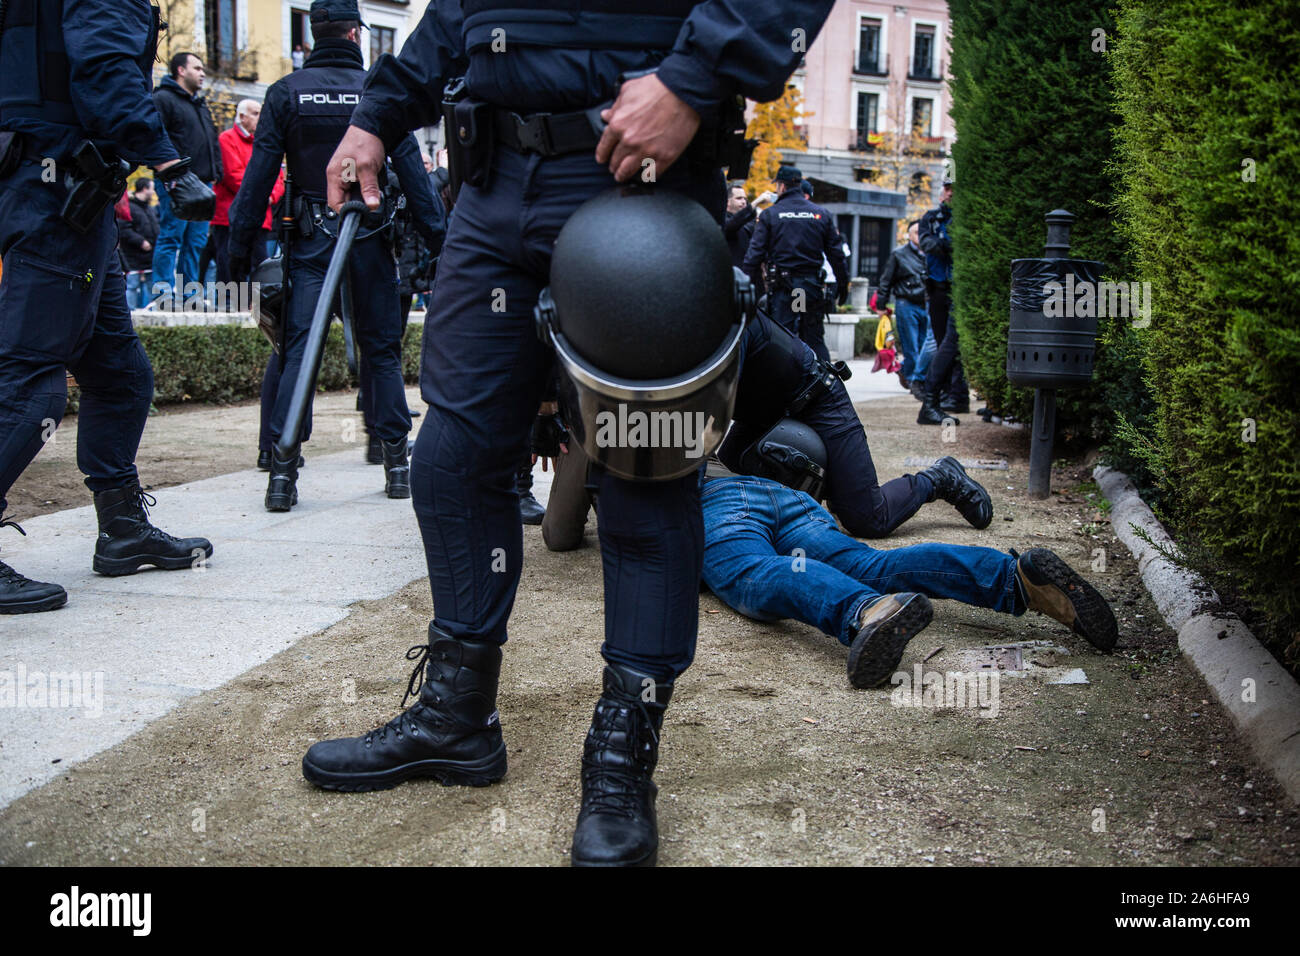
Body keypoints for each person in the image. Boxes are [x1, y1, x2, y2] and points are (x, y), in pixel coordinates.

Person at [296, 0, 839, 867]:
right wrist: (372, 117)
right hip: (491, 188)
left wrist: (691, 80)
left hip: (637, 175)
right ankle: (456, 719)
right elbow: (455, 18)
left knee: (643, 473)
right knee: (453, 456)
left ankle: (623, 754)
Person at [0, 0, 216, 614]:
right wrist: (169, 161)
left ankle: (121, 529)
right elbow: (103, 69)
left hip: (60, 190)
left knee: (120, 375)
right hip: (55, 191)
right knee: (30, 384)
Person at [227, 0, 443, 510]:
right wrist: (444, 248)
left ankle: (282, 477)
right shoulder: (378, 92)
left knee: (299, 350)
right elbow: (415, 180)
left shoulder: (285, 94)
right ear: (354, 35)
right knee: (382, 353)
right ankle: (395, 467)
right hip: (369, 238)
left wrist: (236, 260)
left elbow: (255, 185)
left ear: (313, 35)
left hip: (310, 242)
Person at [543, 306, 992, 549]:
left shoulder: (717, 315)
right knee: (738, 468)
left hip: (815, 400)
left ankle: (940, 477)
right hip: (760, 415)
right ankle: (791, 513)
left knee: (866, 518)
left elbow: (697, 426)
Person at [697, 463, 1118, 688]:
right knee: (871, 566)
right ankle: (1017, 580)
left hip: (708, 502)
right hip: (776, 492)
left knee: (753, 573)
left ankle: (870, 611)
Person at [743, 165, 848, 362]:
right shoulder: (820, 214)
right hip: (810, 287)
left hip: (788, 289)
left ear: (781, 186)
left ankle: (788, 386)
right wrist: (843, 284)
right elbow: (836, 254)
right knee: (813, 338)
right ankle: (825, 385)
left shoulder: (771, 215)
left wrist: (743, 287)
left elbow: (754, 255)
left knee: (785, 339)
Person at [150, 52, 222, 306]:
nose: (203, 73)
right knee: (171, 237)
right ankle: (163, 294)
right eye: (197, 68)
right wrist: (167, 173)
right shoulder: (163, 99)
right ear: (181, 70)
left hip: (203, 183)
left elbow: (211, 141)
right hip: (176, 182)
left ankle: (190, 295)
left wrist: (217, 172)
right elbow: (154, 137)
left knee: (195, 243)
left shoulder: (200, 105)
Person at [212, 99, 285, 284]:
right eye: (255, 113)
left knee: (259, 262)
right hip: (230, 215)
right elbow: (233, 175)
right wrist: (262, 194)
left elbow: (278, 177)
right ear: (242, 117)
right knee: (229, 262)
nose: (259, 117)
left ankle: (255, 304)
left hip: (260, 215)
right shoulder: (227, 139)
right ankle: (229, 304)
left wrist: (270, 196)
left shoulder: (262, 142)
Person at [916, 177, 968, 424]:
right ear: (941, 193)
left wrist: (945, 245)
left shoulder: (966, 217)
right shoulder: (930, 218)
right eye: (947, 189)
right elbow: (927, 244)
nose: (950, 193)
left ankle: (953, 395)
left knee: (951, 344)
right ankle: (942, 397)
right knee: (943, 343)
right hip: (937, 288)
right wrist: (950, 244)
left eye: (954, 189)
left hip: (957, 288)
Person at [875, 220, 929, 398]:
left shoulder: (931, 254)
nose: (919, 235)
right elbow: (886, 281)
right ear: (909, 234)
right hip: (906, 303)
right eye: (915, 232)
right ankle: (914, 381)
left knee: (924, 346)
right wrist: (881, 305)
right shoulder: (899, 254)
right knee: (911, 346)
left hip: (927, 304)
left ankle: (906, 371)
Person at [119, 178, 160, 309]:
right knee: (132, 285)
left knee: (151, 285)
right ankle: (129, 312)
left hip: (150, 255)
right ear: (144, 189)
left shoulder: (149, 209)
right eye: (152, 188)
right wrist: (140, 241)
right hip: (132, 255)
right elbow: (124, 229)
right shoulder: (129, 208)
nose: (153, 192)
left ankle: (151, 310)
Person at [723, 182, 756, 269]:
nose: (744, 202)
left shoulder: (750, 221)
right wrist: (755, 203)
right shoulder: (722, 220)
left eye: (745, 198)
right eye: (739, 198)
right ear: (727, 202)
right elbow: (732, 226)